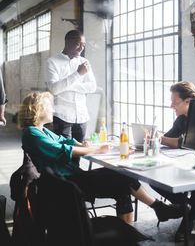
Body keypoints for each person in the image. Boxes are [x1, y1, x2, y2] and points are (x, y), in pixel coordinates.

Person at [18, 91, 183, 226]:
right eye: (49, 107)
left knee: (122, 185)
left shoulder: (42, 131)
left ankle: (130, 234)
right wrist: (97, 149)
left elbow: (65, 141)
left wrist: (82, 144)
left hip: (68, 178)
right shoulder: (31, 133)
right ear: (38, 109)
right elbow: (62, 150)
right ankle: (158, 208)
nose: (53, 110)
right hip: (65, 184)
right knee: (122, 176)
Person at [151, 81, 195, 241]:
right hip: (188, 163)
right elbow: (169, 137)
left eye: (175, 102)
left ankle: (188, 220)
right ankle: (186, 207)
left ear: (188, 101)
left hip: (194, 166)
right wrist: (157, 138)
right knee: (154, 179)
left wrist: (160, 138)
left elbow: (181, 142)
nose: (172, 106)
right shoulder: (181, 120)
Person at [45, 30, 96, 148]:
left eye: (83, 45)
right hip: (62, 116)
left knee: (79, 155)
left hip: (82, 117)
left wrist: (67, 85)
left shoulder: (85, 62)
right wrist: (78, 74)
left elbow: (92, 87)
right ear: (67, 42)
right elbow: (54, 89)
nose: (81, 49)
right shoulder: (52, 62)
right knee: (64, 154)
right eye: (78, 44)